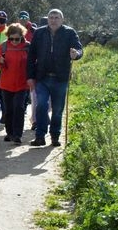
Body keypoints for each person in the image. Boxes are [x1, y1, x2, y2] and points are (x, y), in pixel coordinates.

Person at [27, 9, 84, 147]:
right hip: (42, 77)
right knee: (41, 105)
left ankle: (55, 136)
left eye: (56, 17)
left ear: (62, 19)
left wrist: (76, 54)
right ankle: (40, 136)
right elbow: (31, 56)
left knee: (58, 110)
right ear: (48, 19)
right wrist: (30, 76)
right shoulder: (39, 33)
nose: (53, 20)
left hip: (60, 78)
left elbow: (79, 49)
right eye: (51, 17)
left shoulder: (69, 33)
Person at [0, 23, 30, 144]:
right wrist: (0, 61)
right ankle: (9, 133)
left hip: (22, 84)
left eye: (17, 38)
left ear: (22, 36)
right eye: (11, 38)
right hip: (6, 84)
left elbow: (34, 63)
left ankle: (17, 135)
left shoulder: (28, 47)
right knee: (8, 110)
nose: (14, 41)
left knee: (19, 108)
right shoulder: (3, 47)